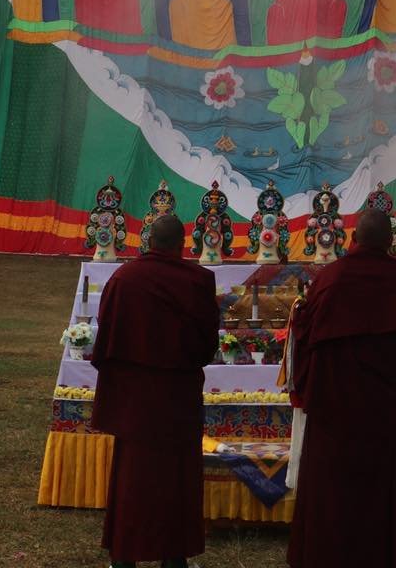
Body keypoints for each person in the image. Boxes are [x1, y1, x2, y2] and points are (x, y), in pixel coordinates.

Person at [287, 207, 396, 568]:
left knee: (329, 488)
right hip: (380, 406)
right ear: (391, 242)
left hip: (332, 405)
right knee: (374, 491)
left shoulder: (330, 278)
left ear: (351, 238)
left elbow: (305, 336)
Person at [90, 212, 220, 568]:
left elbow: (106, 342)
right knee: (176, 479)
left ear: (148, 242)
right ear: (182, 245)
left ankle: (124, 558)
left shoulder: (124, 279)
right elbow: (206, 347)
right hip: (177, 401)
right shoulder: (197, 281)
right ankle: (174, 559)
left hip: (134, 402)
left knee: (132, 479)